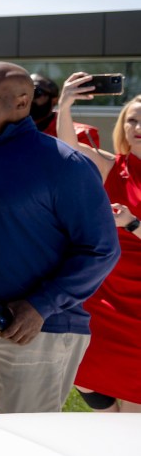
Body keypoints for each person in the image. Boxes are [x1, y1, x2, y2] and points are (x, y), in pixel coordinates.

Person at [0, 62, 120, 415]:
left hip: (36, 333)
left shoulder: (63, 163)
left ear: (23, 102)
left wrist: (42, 305)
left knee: (22, 446)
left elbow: (101, 249)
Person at [56, 72, 141, 413]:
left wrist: (132, 224)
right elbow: (68, 149)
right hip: (106, 295)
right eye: (132, 119)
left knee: (135, 408)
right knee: (86, 374)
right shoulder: (112, 165)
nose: (137, 126)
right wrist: (65, 104)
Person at [0, 72, 100, 147]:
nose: (28, 98)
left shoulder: (81, 133)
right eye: (21, 93)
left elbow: (77, 169)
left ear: (54, 100)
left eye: (36, 92)